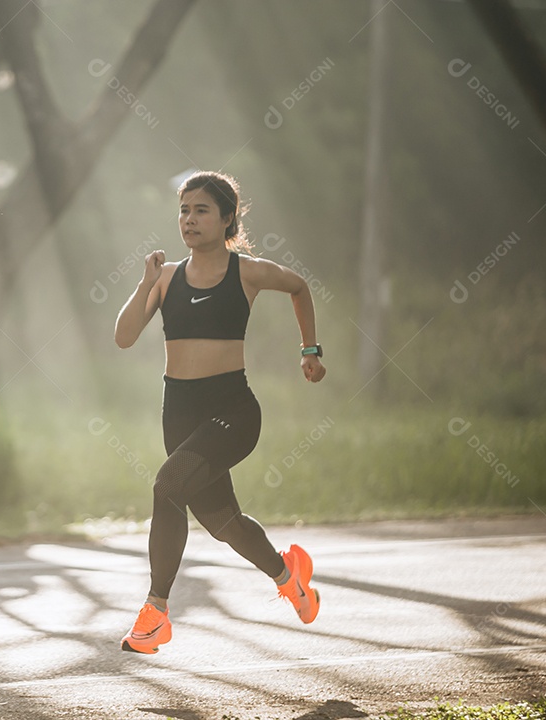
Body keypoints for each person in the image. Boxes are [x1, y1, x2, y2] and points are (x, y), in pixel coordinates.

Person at [114, 170, 326, 654]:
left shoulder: (247, 272)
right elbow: (124, 337)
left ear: (227, 217)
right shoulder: (165, 279)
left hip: (233, 411)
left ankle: (156, 613)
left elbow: (298, 286)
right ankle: (288, 575)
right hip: (180, 414)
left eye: (201, 210)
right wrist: (144, 282)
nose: (189, 219)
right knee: (224, 523)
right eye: (184, 210)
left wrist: (309, 350)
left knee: (167, 487)